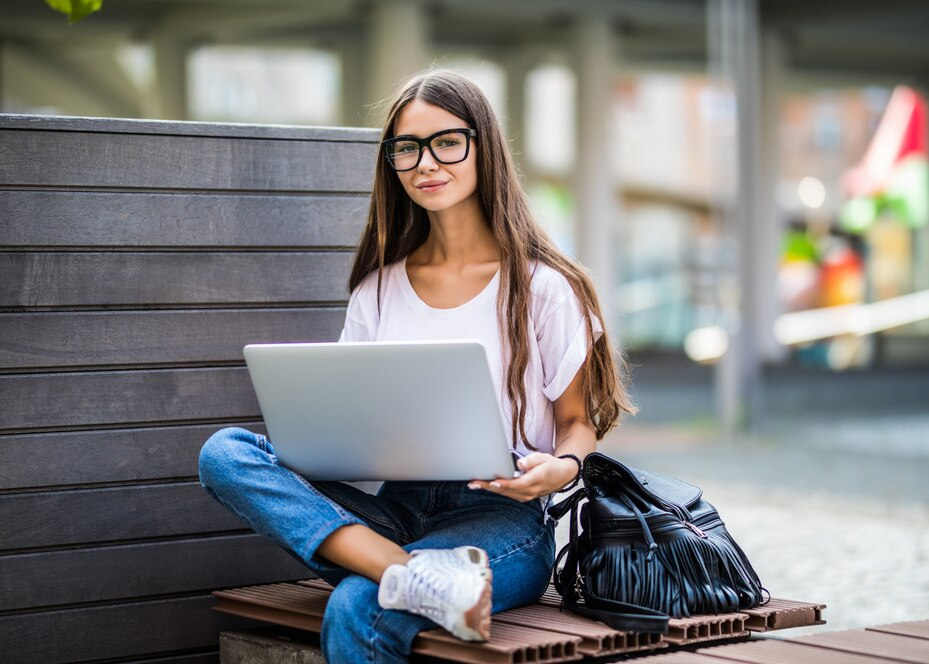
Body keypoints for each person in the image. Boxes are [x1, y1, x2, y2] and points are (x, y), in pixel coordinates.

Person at [198, 69, 634, 662]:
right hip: (394, 506)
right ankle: (412, 572)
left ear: (484, 147)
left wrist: (558, 470)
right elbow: (352, 419)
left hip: (500, 515)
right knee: (225, 453)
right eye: (407, 148)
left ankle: (403, 572)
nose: (426, 163)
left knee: (358, 602)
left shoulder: (546, 287)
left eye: (446, 142)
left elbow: (578, 423)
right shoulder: (377, 291)